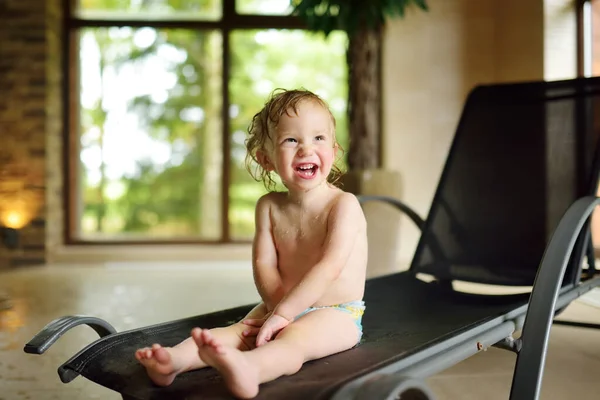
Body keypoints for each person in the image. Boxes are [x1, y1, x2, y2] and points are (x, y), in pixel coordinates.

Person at [135, 88, 368, 399]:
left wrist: (286, 315)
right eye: (291, 140)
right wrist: (275, 308)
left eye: (318, 138)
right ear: (266, 158)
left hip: (337, 312)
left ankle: (251, 369)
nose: (306, 149)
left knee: (293, 342)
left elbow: (330, 267)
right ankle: (174, 361)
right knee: (236, 333)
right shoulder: (269, 206)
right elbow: (265, 264)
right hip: (277, 304)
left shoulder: (343, 205)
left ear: (335, 150)